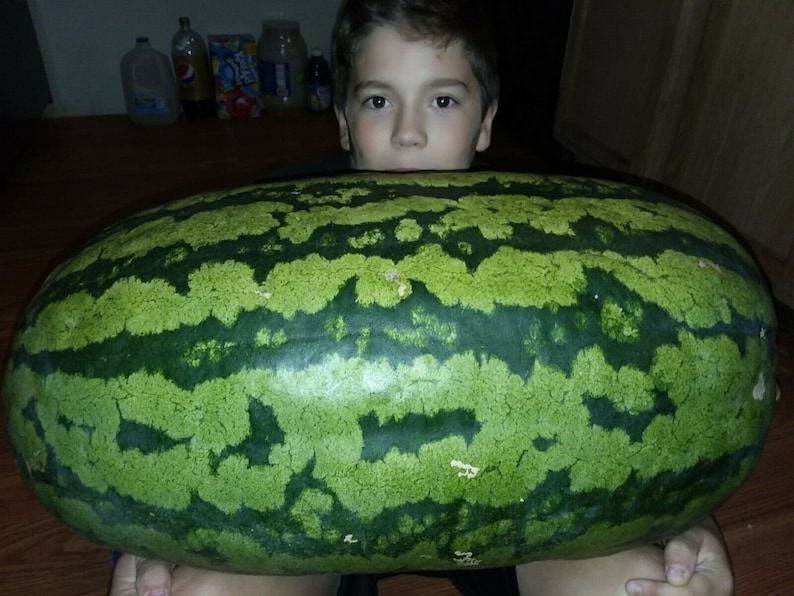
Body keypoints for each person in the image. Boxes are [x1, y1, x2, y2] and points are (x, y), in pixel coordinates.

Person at [110, 1, 733, 595]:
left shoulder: (549, 233)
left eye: (441, 100)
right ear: (343, 122)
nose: (408, 134)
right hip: (312, 517)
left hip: (510, 505)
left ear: (486, 122)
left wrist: (678, 516)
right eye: (378, 100)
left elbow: (635, 387)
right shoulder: (271, 227)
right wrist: (154, 536)